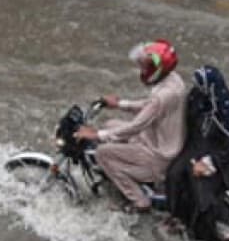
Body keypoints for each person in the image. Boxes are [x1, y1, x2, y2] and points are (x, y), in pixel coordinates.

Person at [74, 40, 185, 212]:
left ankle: (140, 201)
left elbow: (136, 126)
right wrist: (120, 104)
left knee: (102, 153)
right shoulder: (173, 81)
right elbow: (149, 107)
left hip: (158, 156)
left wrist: (97, 135)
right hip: (158, 140)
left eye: (145, 67)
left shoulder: (162, 97)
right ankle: (120, 175)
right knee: (111, 124)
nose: (142, 70)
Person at [163, 65, 229, 241]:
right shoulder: (197, 98)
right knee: (175, 173)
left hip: (222, 157)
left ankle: (224, 231)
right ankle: (178, 216)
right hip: (197, 146)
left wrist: (209, 163)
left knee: (201, 184)